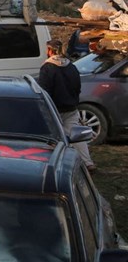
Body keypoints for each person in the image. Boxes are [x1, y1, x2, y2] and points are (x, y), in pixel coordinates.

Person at [38, 39, 96, 171]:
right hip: (71, 108)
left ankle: (54, 166)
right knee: (78, 137)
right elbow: (77, 87)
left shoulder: (47, 68)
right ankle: (87, 162)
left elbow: (44, 91)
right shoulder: (71, 67)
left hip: (54, 109)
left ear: (50, 51)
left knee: (53, 138)